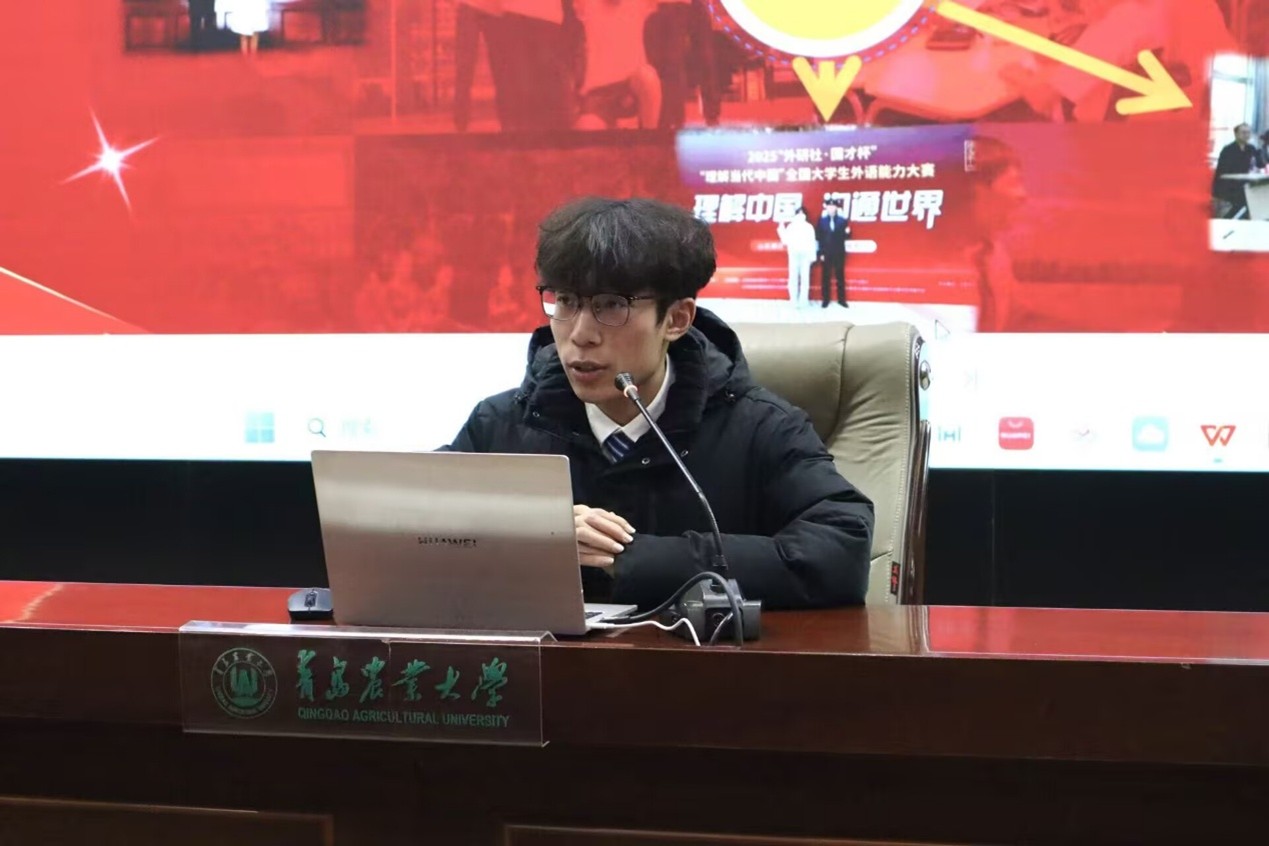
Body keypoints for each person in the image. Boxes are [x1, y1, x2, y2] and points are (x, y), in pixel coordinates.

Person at [444, 197, 874, 609]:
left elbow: (843, 548)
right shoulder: (502, 424)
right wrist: (534, 531)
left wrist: (635, 557)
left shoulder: (760, 426)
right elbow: (414, 523)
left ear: (676, 320)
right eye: (566, 302)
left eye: (611, 306)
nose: (580, 334)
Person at [1212, 124, 1267, 219]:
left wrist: (1261, 153)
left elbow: (1260, 164)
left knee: (1260, 190)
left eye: (1248, 132)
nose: (1246, 135)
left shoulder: (1251, 148)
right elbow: (1224, 170)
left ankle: (1252, 217)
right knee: (1247, 197)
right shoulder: (1228, 149)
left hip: (1244, 183)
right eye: (1243, 132)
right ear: (1236, 134)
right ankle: (1232, 218)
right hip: (1228, 184)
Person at [776, 206, 817, 308]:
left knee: (805, 279)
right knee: (793, 278)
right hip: (794, 255)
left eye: (802, 213)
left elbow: (812, 242)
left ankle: (803, 301)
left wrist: (812, 257)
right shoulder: (791, 226)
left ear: (805, 215)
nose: (800, 215)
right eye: (798, 213)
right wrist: (781, 227)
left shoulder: (809, 227)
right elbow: (785, 240)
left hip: (805, 256)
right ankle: (793, 300)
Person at [816, 199, 850, 308]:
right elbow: (819, 238)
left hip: (839, 252)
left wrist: (848, 233)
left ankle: (842, 300)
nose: (831, 208)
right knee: (825, 277)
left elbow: (846, 236)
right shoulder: (821, 221)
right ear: (826, 208)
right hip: (826, 253)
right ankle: (825, 300)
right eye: (829, 206)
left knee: (840, 276)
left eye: (833, 206)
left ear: (836, 208)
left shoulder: (842, 221)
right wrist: (821, 253)